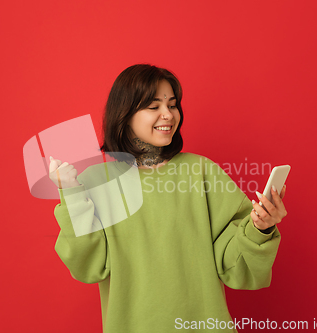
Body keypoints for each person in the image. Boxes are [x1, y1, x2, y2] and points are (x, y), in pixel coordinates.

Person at [49, 64, 287, 333]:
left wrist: (260, 227)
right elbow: (89, 266)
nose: (168, 115)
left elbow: (234, 264)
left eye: (172, 105)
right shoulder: (98, 181)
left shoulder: (202, 171)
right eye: (154, 106)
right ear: (125, 115)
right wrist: (72, 193)